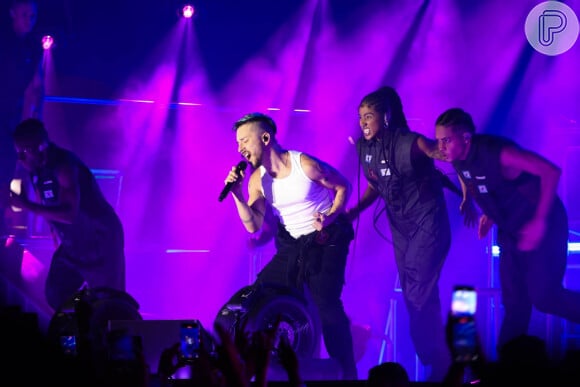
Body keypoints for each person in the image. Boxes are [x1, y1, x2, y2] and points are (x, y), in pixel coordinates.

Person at [223, 112, 358, 380]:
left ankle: (347, 375)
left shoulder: (305, 165)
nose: (240, 149)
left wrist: (330, 215)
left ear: (265, 137)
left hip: (326, 238)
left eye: (244, 141)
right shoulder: (256, 180)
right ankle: (278, 368)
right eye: (237, 143)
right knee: (260, 295)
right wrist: (238, 195)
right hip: (293, 244)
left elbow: (344, 186)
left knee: (326, 305)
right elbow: (253, 225)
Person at [434, 107, 580, 353]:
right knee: (515, 306)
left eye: (446, 140)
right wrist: (489, 212)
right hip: (511, 230)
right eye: (439, 141)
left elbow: (551, 171)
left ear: (466, 137)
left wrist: (539, 222)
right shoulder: (458, 160)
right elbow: (481, 183)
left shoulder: (498, 152)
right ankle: (506, 370)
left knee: (544, 297)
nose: (441, 146)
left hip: (544, 225)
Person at [345, 86, 454, 381]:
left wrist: (448, 151)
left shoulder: (408, 141)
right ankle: (442, 359)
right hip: (401, 229)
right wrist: (352, 212)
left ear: (387, 115)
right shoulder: (365, 149)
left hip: (428, 222)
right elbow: (376, 185)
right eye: (360, 117)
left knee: (419, 290)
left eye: (369, 116)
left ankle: (439, 358)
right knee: (415, 294)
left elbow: (433, 149)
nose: (363, 122)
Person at [8, 118, 126, 312]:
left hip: (99, 239)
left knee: (110, 303)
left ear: (38, 147)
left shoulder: (64, 166)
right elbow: (52, 212)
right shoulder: (36, 171)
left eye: (22, 153)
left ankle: (111, 332)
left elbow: (69, 214)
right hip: (75, 243)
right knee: (56, 293)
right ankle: (81, 325)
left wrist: (27, 205)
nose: (20, 159)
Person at [0, 0, 44, 238]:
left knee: (6, 169)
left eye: (33, 16)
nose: (29, 20)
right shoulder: (3, 41)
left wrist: (26, 126)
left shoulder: (32, 48)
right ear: (12, 13)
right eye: (25, 14)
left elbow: (34, 89)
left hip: (10, 121)